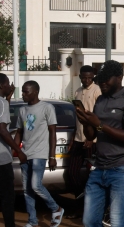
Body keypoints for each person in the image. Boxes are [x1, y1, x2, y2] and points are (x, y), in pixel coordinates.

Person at [76, 60, 124, 227]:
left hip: (122, 170)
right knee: (89, 221)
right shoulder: (100, 100)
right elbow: (91, 136)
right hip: (99, 167)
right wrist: (86, 122)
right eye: (100, 79)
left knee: (118, 222)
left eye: (107, 79)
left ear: (119, 78)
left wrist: (99, 124)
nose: (102, 82)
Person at [15, 81, 64, 227]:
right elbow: (19, 132)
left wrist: (52, 156)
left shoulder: (47, 108)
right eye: (23, 91)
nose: (23, 94)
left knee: (36, 185)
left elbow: (53, 132)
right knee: (27, 190)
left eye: (26, 92)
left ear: (35, 92)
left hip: (40, 153)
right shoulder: (23, 110)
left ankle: (56, 208)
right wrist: (16, 150)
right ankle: (32, 221)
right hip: (25, 153)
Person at [68, 65, 101, 219]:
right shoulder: (77, 91)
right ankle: (80, 206)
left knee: (91, 176)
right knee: (73, 174)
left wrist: (91, 138)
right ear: (80, 76)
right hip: (78, 139)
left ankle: (91, 210)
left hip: (91, 140)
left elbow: (98, 117)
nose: (87, 80)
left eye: (89, 77)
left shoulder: (97, 91)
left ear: (93, 76)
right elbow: (78, 117)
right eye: (84, 77)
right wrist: (74, 136)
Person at [0, 74, 26, 227]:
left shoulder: (4, 103)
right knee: (7, 197)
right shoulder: (2, 103)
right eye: (8, 83)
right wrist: (19, 151)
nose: (11, 86)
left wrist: (8, 98)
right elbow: (2, 129)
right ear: (2, 85)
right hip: (2, 160)